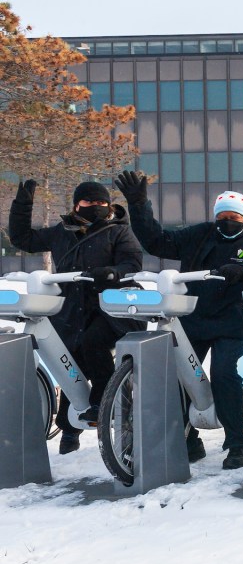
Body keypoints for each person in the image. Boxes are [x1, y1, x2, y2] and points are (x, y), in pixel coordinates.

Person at [115, 173, 243, 469]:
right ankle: (188, 441)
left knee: (222, 372)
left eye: (233, 216)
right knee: (179, 375)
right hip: (194, 316)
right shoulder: (200, 234)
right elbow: (158, 242)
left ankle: (237, 443)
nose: (227, 221)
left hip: (234, 320)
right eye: (222, 216)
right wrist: (138, 204)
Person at [7, 179, 145, 454]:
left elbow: (132, 262)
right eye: (89, 202)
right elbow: (23, 239)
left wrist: (112, 272)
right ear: (76, 205)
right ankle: (69, 430)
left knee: (93, 343)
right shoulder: (62, 232)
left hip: (110, 308)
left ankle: (102, 403)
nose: (95, 207)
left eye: (101, 203)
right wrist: (22, 205)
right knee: (71, 362)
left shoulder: (119, 231)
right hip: (73, 309)